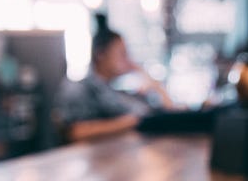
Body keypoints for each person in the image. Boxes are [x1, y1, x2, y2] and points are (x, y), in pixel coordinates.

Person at [54, 14, 174, 142]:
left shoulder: (116, 91)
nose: (129, 60)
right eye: (122, 54)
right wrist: (130, 122)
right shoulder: (78, 89)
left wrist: (146, 77)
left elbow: (168, 110)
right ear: (100, 54)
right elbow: (76, 132)